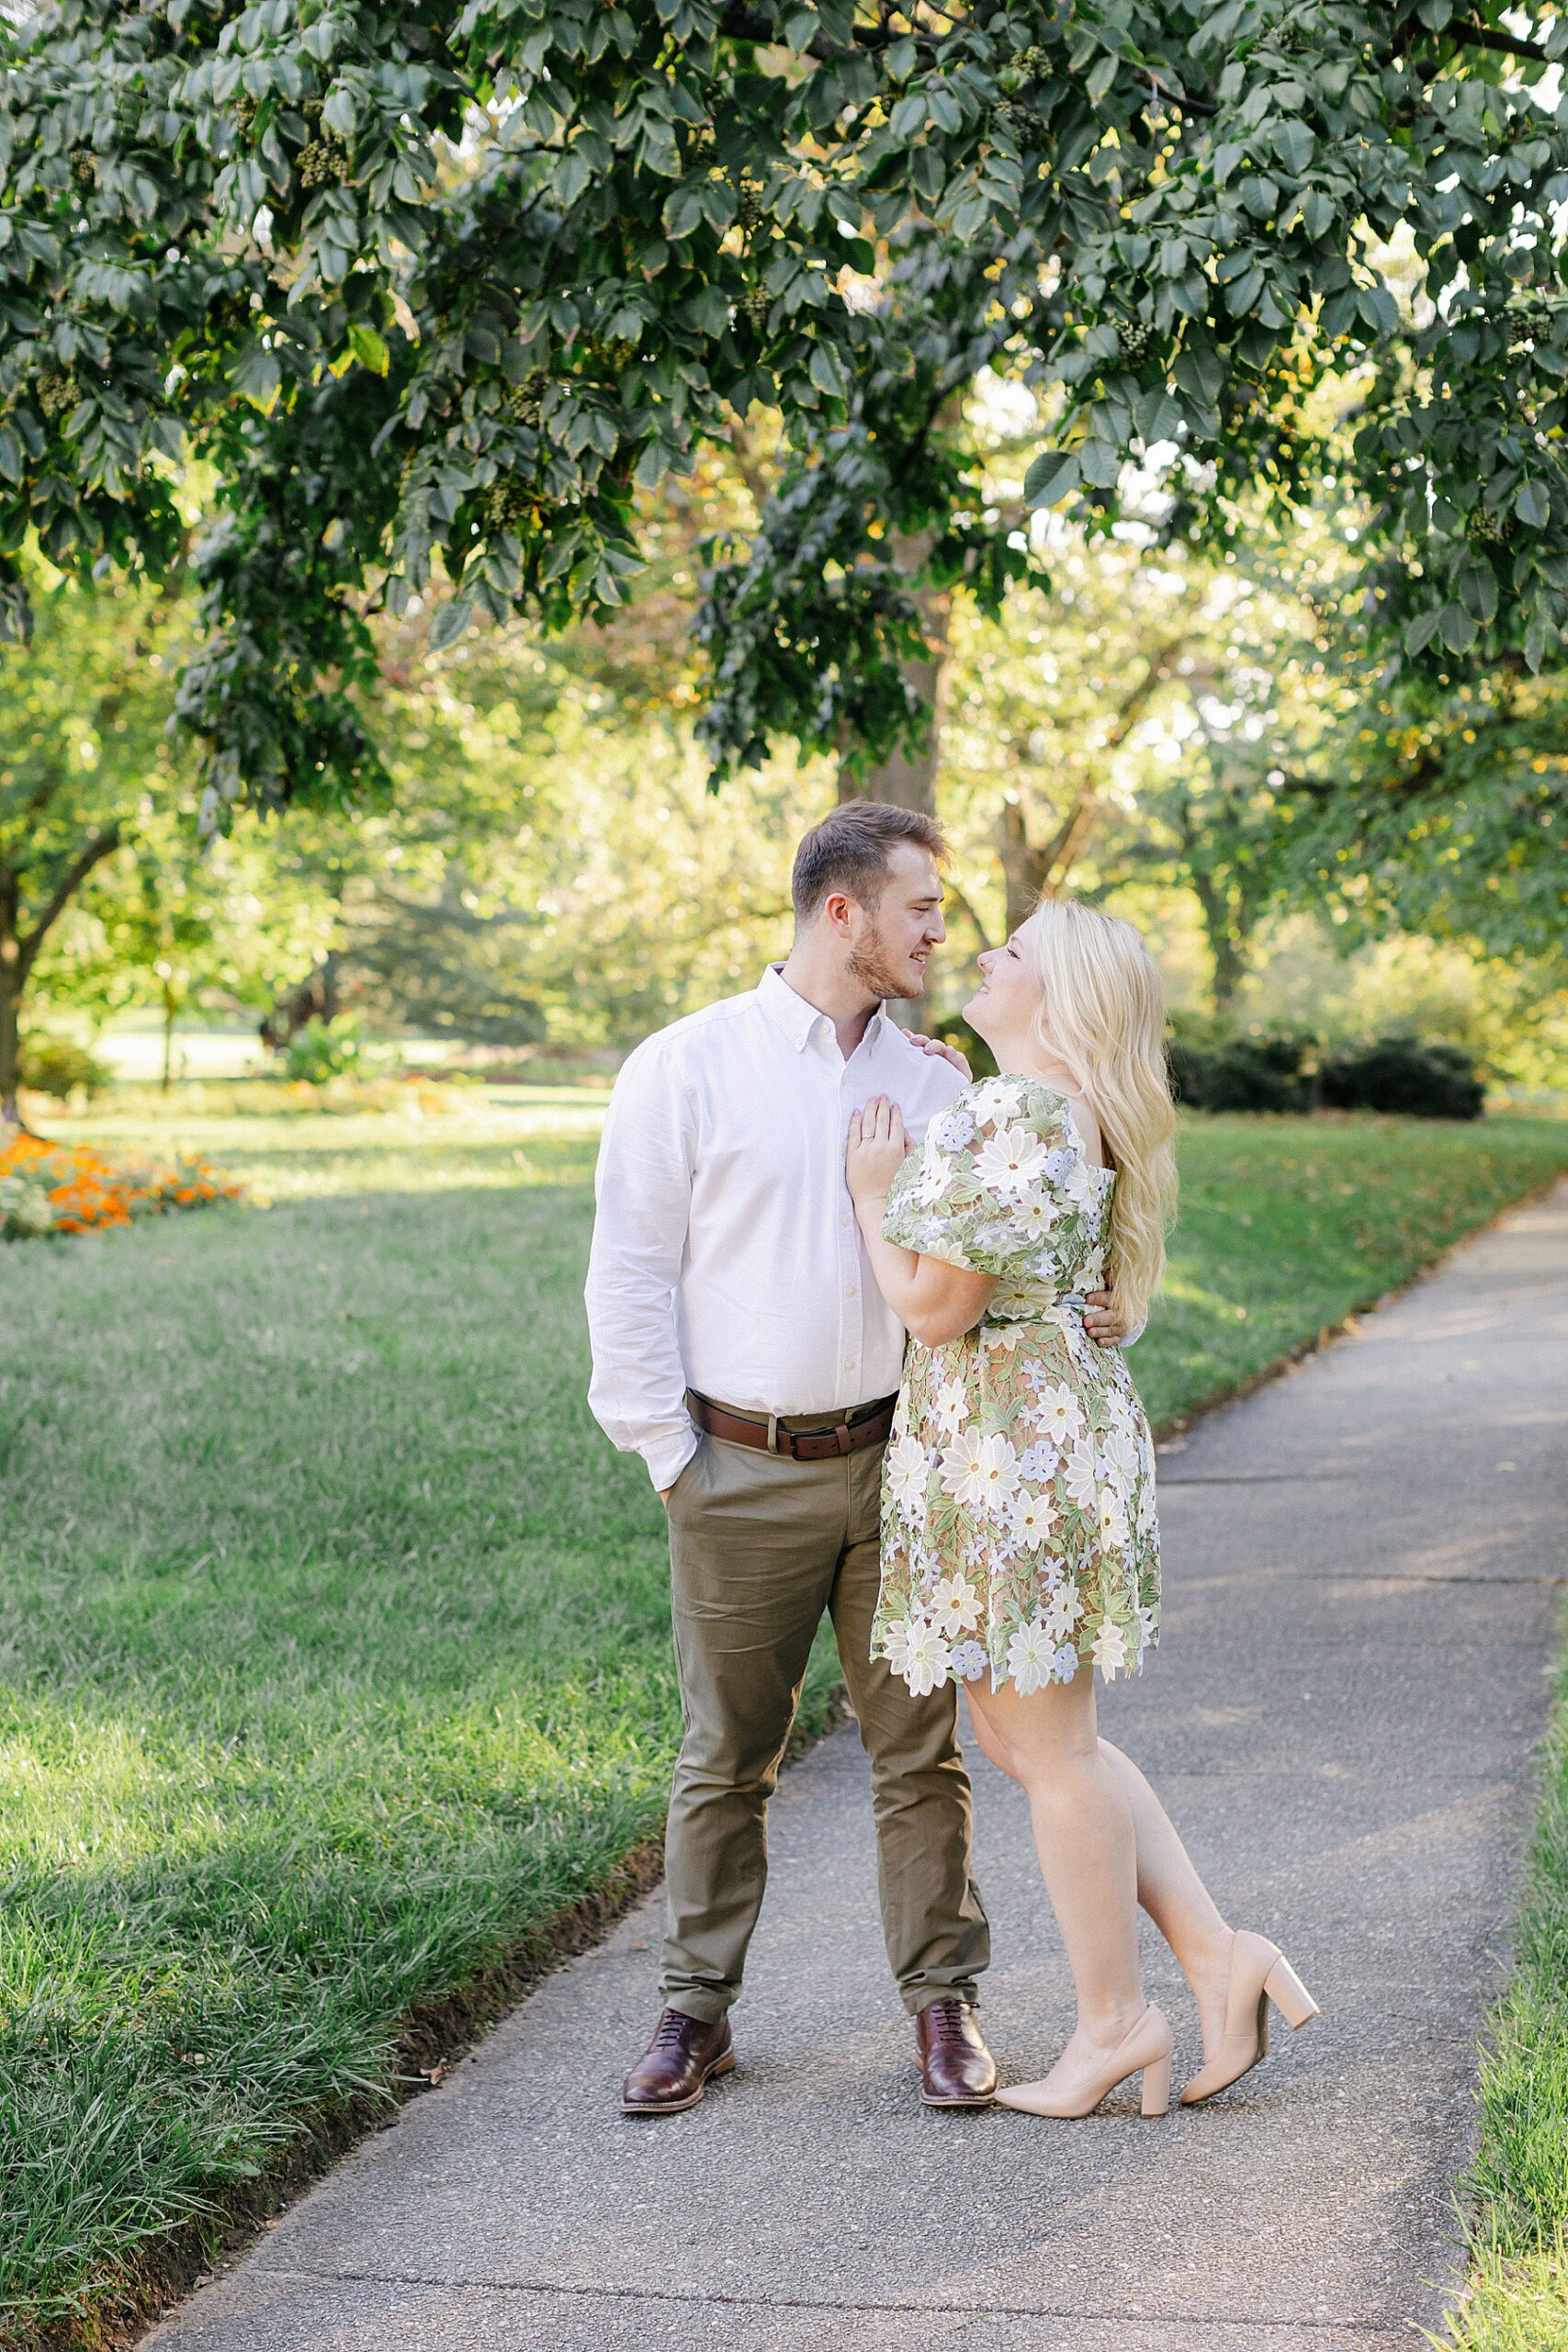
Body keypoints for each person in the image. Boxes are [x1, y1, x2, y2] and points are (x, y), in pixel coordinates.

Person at [584, 804, 1129, 2115]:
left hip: (910, 1472)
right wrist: (669, 1454)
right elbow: (631, 1271)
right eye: (921, 910)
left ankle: (945, 2009)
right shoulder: (685, 1066)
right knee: (726, 1756)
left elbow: (1013, 1253)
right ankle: (693, 2013)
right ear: (845, 914)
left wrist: (1111, 1306)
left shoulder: (947, 1085)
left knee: (922, 1752)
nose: (943, 933)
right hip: (735, 1467)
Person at [845, 899, 1319, 2118]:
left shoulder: (1014, 1114)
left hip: (1012, 1451)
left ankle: (1116, 2022)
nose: (980, 957)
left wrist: (872, 1189)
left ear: (1053, 1001)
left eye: (1009, 954)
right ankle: (1218, 1957)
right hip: (1044, 1438)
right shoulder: (1063, 1109)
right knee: (1037, 1741)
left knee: (1048, 1750)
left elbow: (936, 1309)